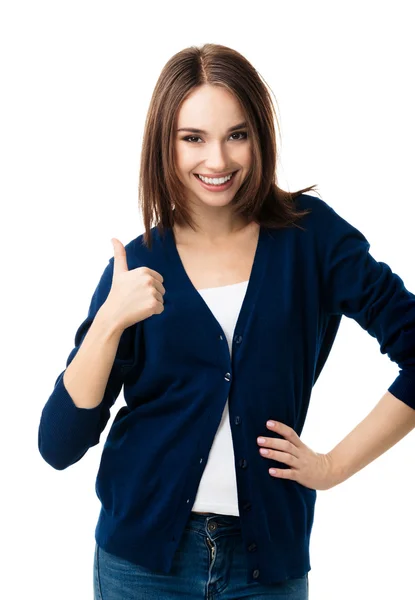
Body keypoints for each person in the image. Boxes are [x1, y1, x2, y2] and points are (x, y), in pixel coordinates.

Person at [38, 43, 415, 600]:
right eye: (194, 138)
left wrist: (333, 467)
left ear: (259, 135)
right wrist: (109, 322)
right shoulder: (138, 264)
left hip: (266, 564)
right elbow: (58, 445)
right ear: (165, 144)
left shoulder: (312, 239)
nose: (217, 161)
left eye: (236, 135)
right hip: (141, 564)